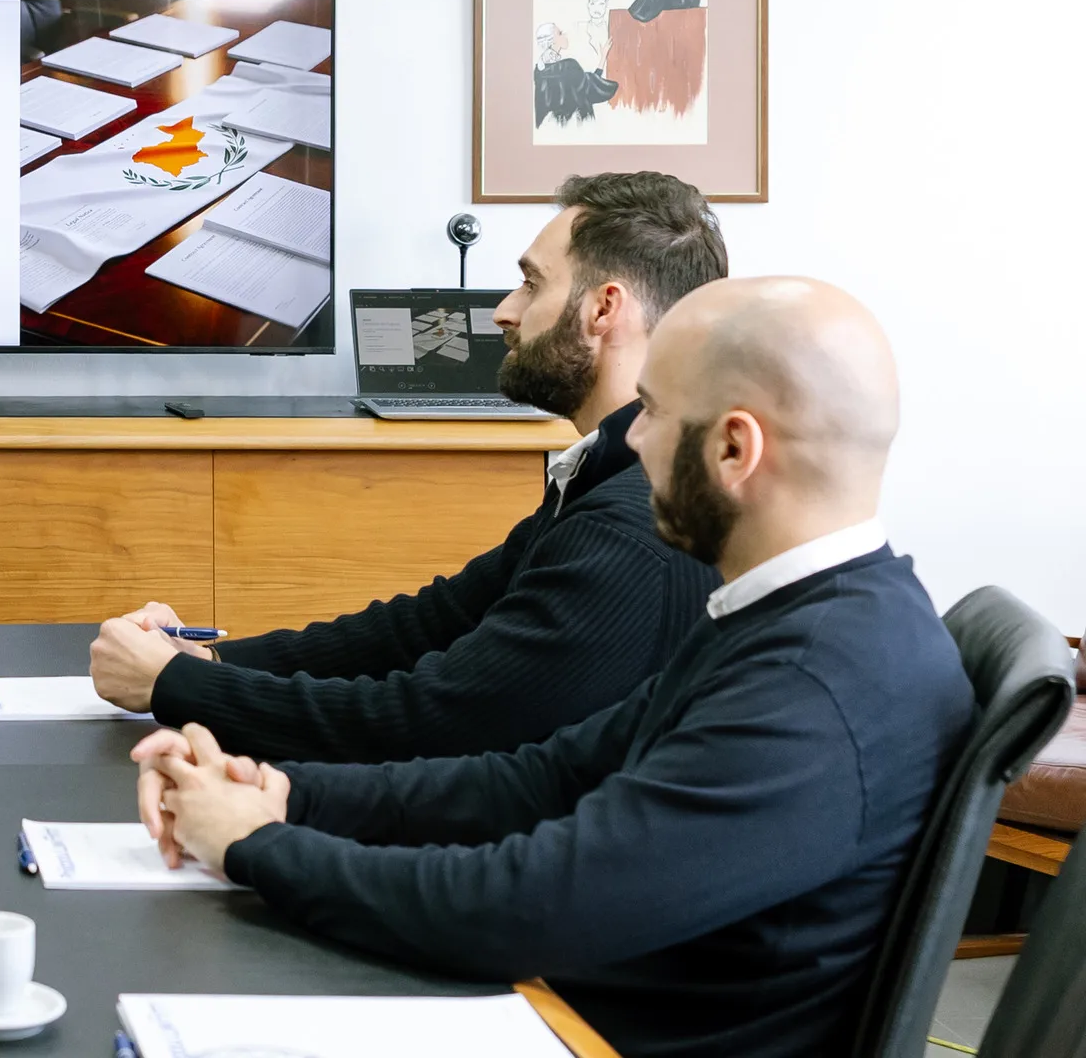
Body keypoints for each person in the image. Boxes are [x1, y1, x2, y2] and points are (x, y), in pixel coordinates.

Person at [130, 276, 971, 1058]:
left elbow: (525, 906)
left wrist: (257, 846)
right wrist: (285, 792)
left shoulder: (812, 688)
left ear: (732, 450)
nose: (631, 439)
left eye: (652, 412)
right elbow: (539, 780)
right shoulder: (799, 615)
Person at [90, 171, 727, 764]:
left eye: (531, 284)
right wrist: (210, 660)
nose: (505, 310)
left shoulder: (628, 527)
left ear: (603, 309)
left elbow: (433, 716)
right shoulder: (601, 476)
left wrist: (179, 686)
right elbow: (424, 625)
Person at [534, 20, 620, 127]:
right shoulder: (569, 66)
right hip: (576, 125)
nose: (564, 34)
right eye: (560, 33)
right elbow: (592, 88)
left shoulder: (539, 71)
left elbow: (587, 84)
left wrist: (603, 57)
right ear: (552, 41)